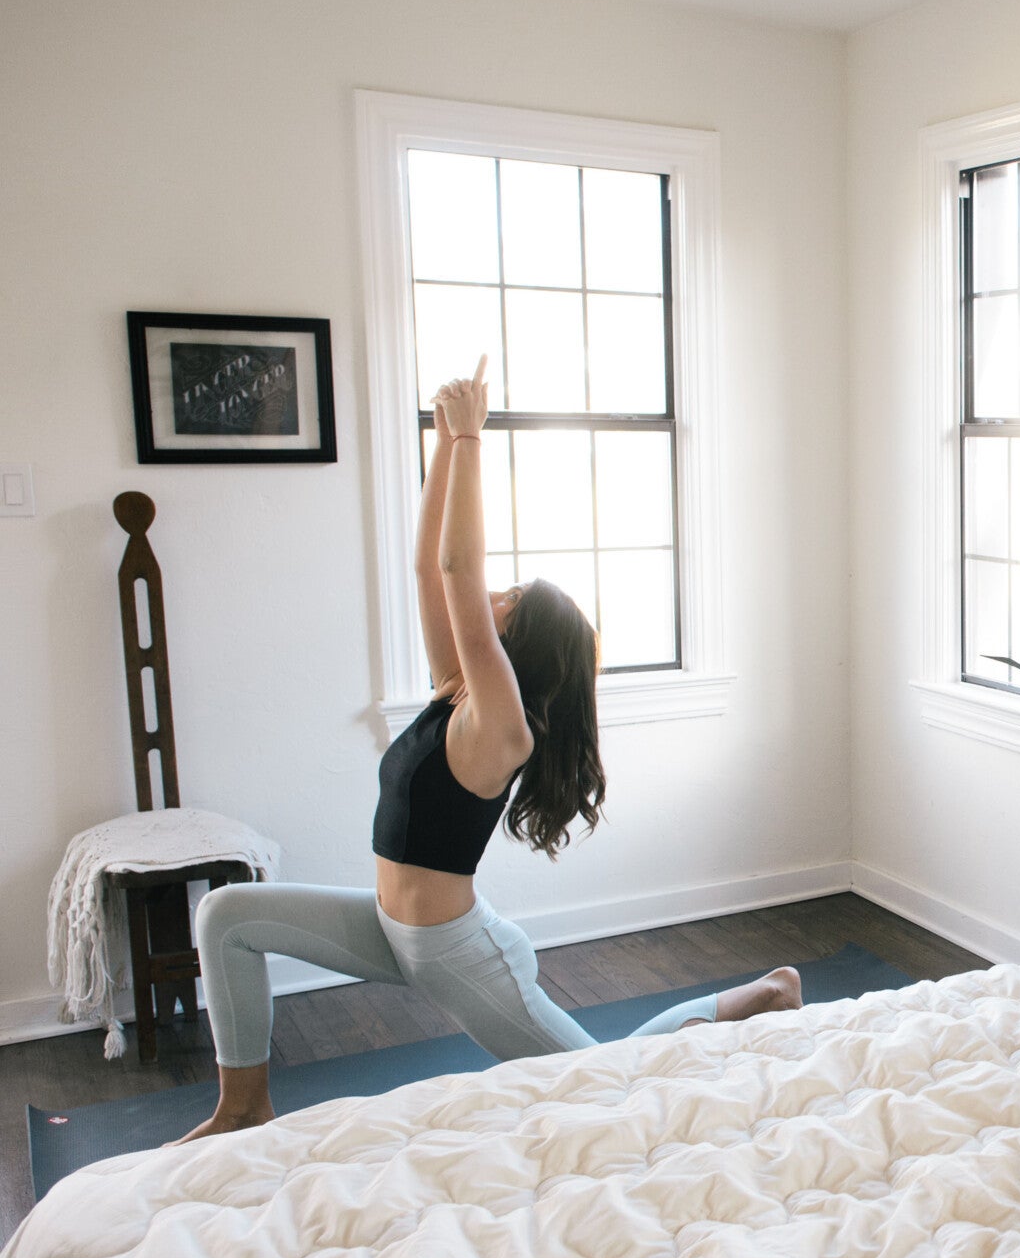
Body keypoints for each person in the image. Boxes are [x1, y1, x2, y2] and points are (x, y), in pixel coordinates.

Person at [178, 357, 799, 1140]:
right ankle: (242, 1109)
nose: (492, 594)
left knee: (602, 1079)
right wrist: (444, 442)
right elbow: (428, 567)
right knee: (227, 916)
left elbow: (457, 566)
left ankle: (761, 995)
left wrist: (473, 438)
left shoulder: (503, 724)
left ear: (522, 637)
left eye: (509, 598)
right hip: (391, 928)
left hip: (454, 954)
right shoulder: (458, 690)